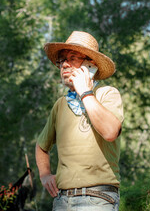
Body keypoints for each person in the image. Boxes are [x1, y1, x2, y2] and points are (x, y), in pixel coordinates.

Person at [35, 31, 124, 211]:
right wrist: (44, 175)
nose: (64, 64)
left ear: (90, 65)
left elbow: (110, 132)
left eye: (72, 58)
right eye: (61, 60)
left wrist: (85, 92)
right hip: (62, 201)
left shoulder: (107, 94)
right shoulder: (60, 105)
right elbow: (41, 146)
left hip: (98, 198)